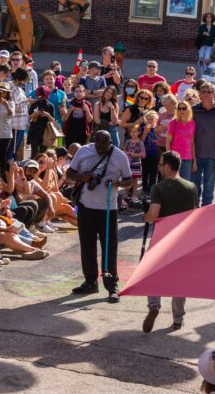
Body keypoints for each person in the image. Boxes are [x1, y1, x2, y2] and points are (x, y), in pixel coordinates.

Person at [66, 130, 132, 303]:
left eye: (105, 144)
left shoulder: (119, 156)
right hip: (86, 206)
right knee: (87, 246)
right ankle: (90, 282)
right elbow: (69, 175)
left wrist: (117, 183)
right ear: (93, 141)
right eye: (98, 144)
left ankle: (112, 285)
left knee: (109, 247)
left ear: (111, 142)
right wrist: (82, 176)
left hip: (108, 209)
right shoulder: (83, 151)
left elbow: (129, 181)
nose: (101, 148)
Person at [142, 151, 198, 333]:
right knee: (180, 280)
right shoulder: (191, 187)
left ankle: (154, 305)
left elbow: (153, 215)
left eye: (160, 165)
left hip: (162, 239)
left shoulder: (158, 188)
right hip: (183, 239)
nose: (159, 168)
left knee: (152, 273)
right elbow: (194, 214)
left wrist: (146, 215)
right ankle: (177, 319)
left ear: (167, 166)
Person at [192, 83, 215, 207]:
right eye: (203, 91)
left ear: (214, 94)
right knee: (194, 184)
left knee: (209, 185)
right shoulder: (193, 110)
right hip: (195, 154)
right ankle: (194, 208)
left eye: (209, 92)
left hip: (212, 154)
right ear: (200, 94)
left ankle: (206, 210)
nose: (206, 94)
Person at [166, 101, 197, 182]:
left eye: (184, 108)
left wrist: (194, 161)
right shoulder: (173, 123)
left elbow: (192, 143)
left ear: (188, 109)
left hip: (188, 158)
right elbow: (168, 141)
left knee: (185, 182)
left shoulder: (193, 123)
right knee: (173, 182)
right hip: (174, 157)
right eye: (179, 109)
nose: (181, 111)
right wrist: (168, 158)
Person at [28, 87, 56, 158]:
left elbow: (53, 120)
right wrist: (35, 114)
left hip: (45, 132)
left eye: (44, 96)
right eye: (40, 96)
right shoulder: (34, 104)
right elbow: (29, 117)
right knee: (34, 152)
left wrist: (47, 115)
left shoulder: (50, 106)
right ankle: (33, 167)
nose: (42, 98)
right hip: (34, 131)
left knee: (43, 153)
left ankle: (43, 167)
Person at [10, 68, 30, 159]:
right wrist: (27, 101)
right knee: (12, 151)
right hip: (15, 126)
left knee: (16, 150)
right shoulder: (12, 88)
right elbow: (14, 107)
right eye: (23, 80)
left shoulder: (19, 89)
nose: (24, 83)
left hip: (21, 125)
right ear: (18, 79)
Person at [123, 124, 146, 205]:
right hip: (128, 164)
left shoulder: (140, 142)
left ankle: (134, 195)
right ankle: (126, 194)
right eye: (131, 132)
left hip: (136, 164)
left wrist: (136, 155)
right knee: (127, 179)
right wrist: (127, 153)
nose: (133, 133)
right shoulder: (128, 142)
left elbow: (144, 154)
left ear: (139, 132)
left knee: (135, 180)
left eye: (135, 132)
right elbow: (123, 151)